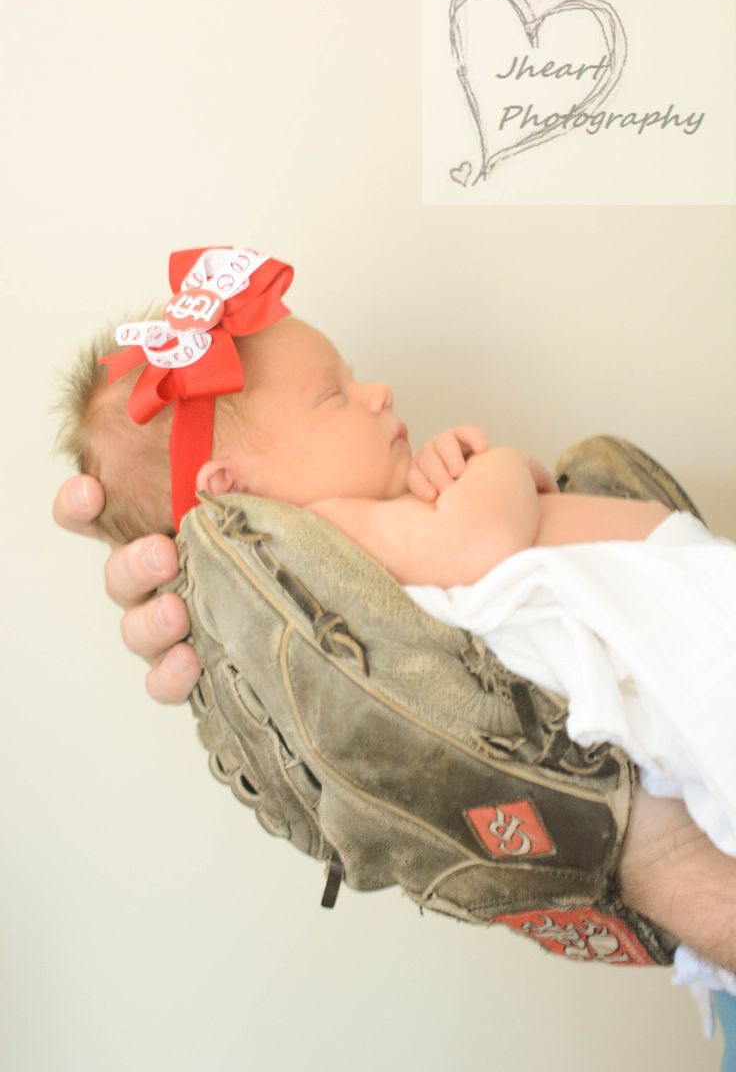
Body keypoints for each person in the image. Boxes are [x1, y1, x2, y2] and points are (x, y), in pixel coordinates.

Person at [53, 247, 736, 1031]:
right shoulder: (340, 539)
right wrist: (496, 466)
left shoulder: (389, 531)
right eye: (333, 396)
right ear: (238, 493)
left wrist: (448, 479)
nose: (377, 394)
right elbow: (482, 542)